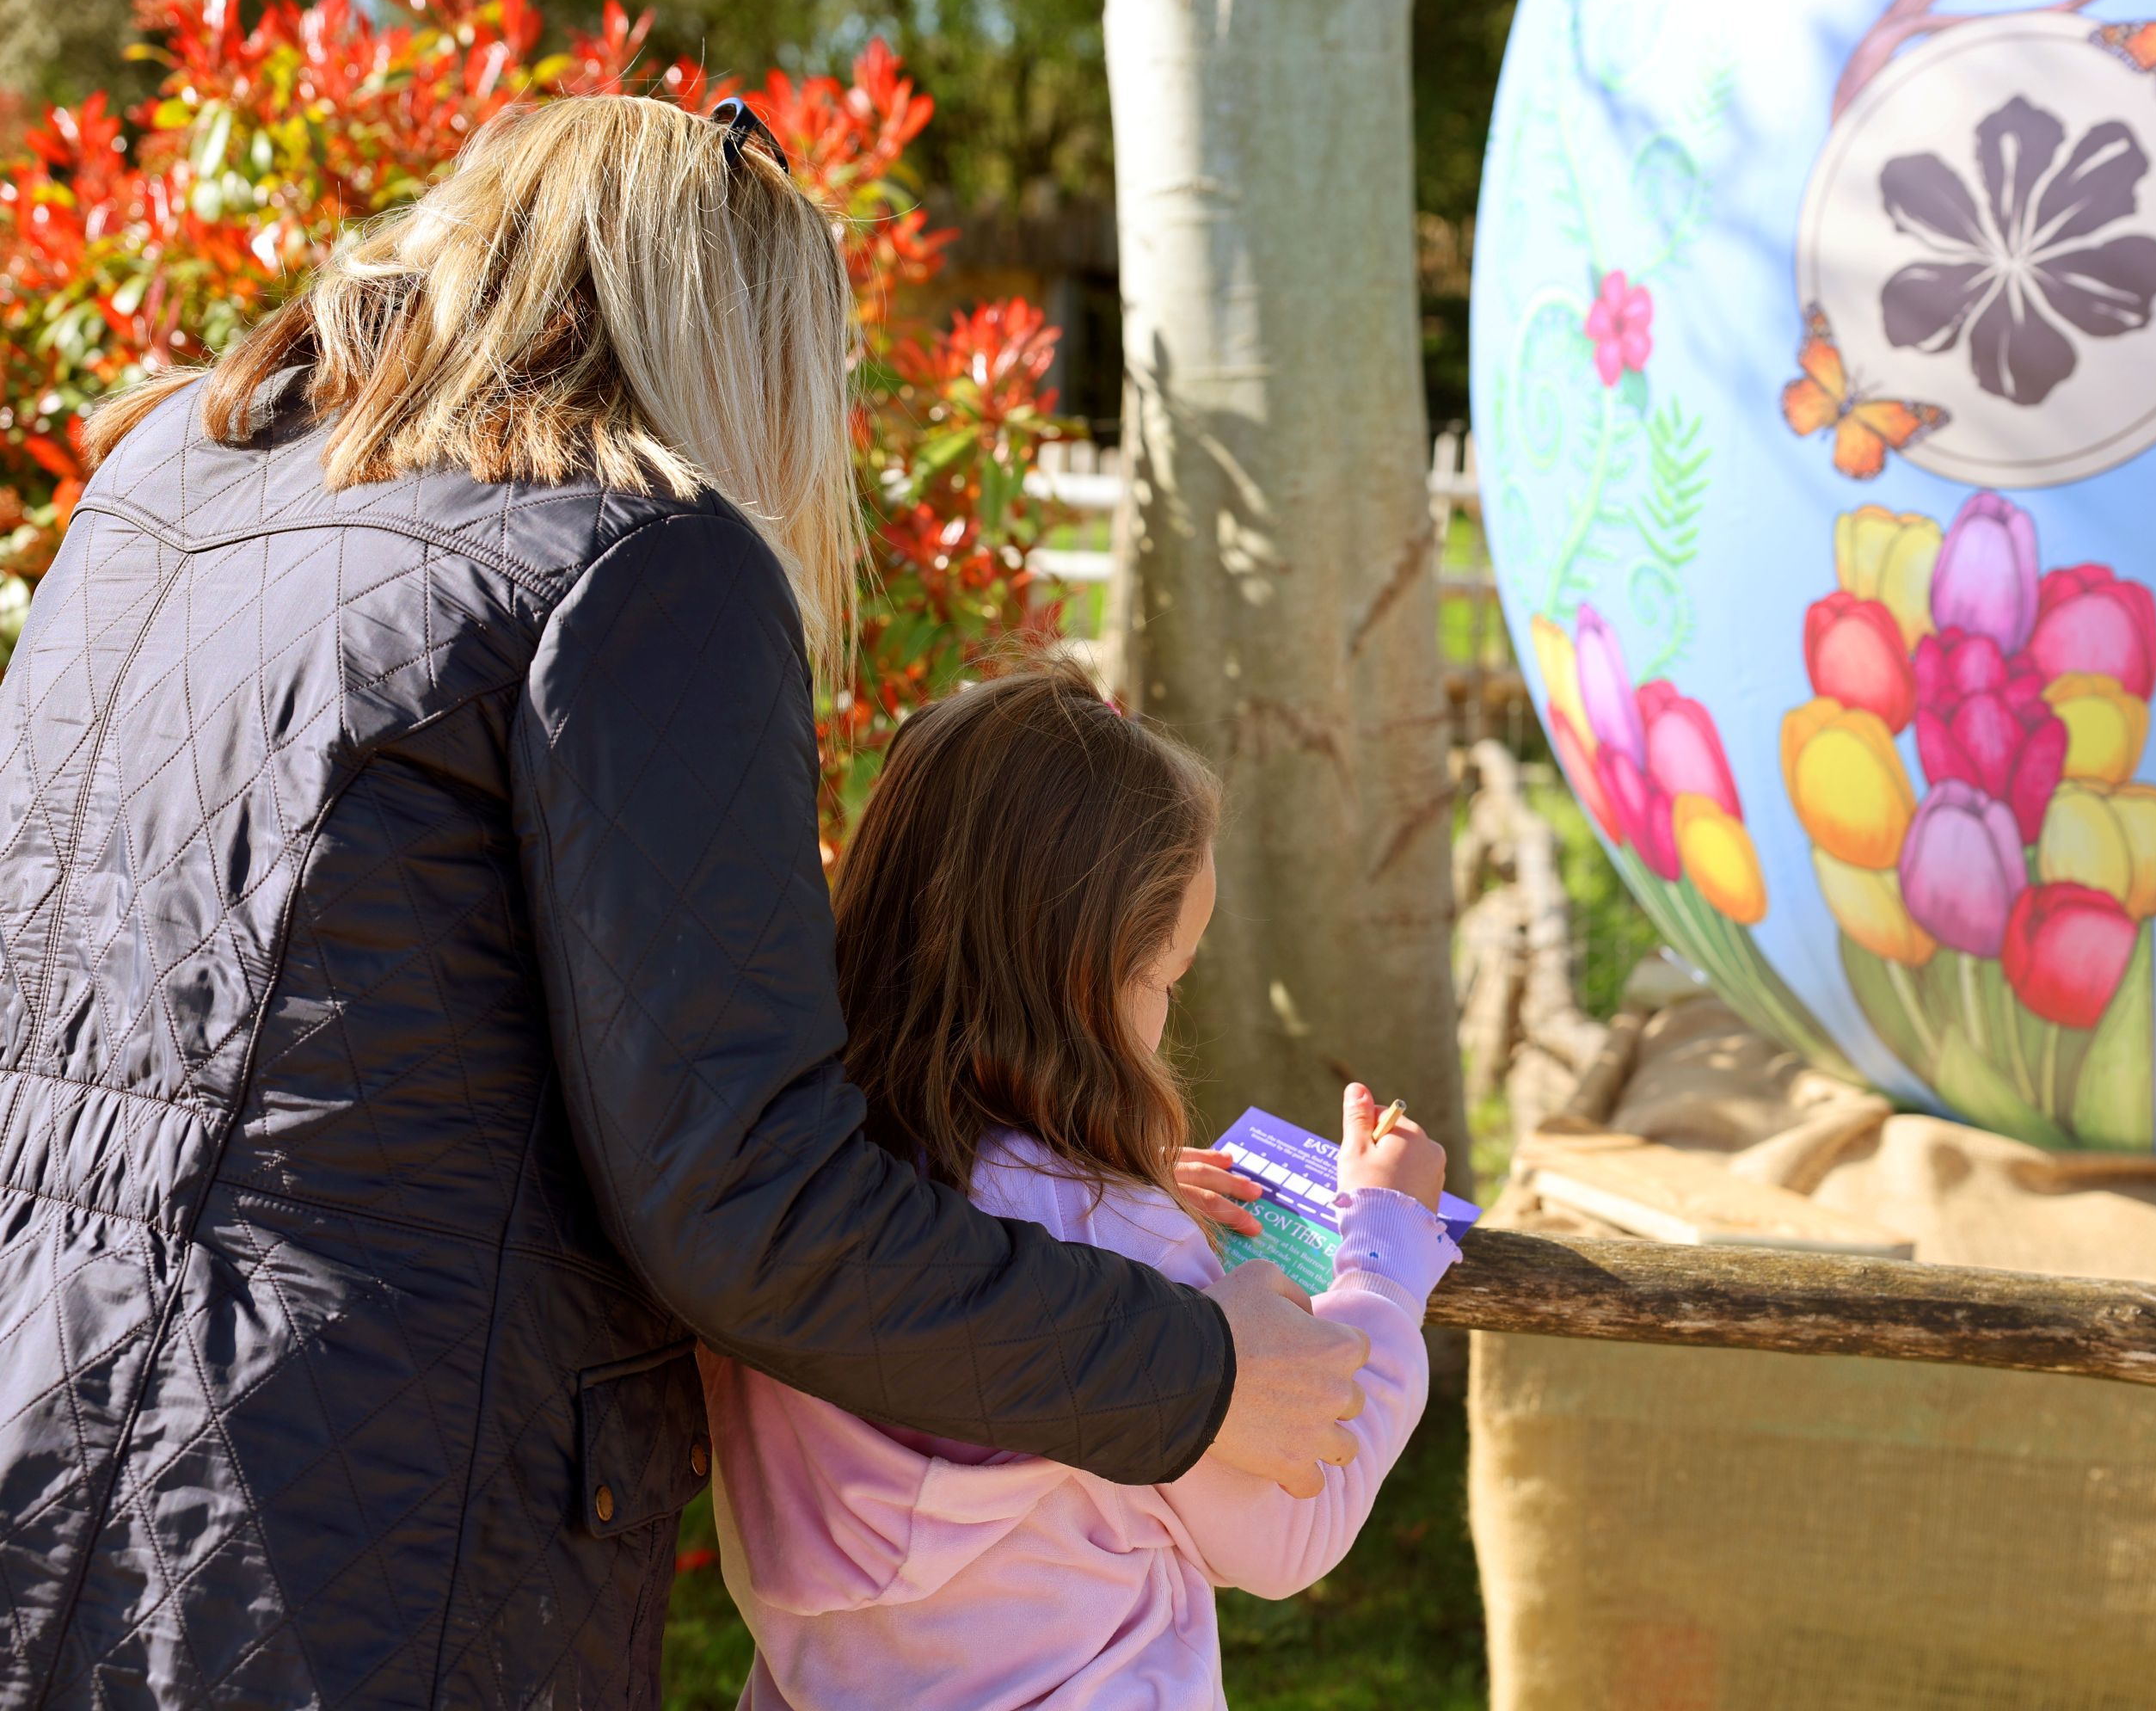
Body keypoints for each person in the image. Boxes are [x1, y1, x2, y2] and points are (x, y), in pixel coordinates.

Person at [0, 94, 1368, 1709]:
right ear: (739, 344)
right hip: (363, 1536)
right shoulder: (645, 562)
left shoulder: (169, 477)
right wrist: (1198, 1375)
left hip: (43, 1405)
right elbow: (752, 1203)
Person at [703, 663, 1459, 1709]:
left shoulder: (798, 1187)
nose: (1166, 1014)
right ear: (1088, 976)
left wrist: (1123, 1187)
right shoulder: (1125, 1254)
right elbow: (1295, 1521)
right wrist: (1383, 1255)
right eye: (1168, 977)